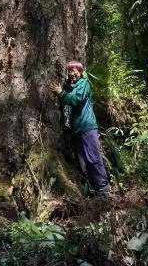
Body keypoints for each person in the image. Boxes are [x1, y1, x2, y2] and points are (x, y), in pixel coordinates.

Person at [49, 60, 110, 197]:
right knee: (82, 161)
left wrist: (60, 93)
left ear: (81, 72)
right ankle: (93, 189)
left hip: (87, 127)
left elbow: (75, 99)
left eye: (75, 71)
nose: (72, 74)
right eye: (70, 71)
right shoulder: (72, 86)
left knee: (93, 157)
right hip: (77, 129)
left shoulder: (84, 84)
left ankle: (103, 189)